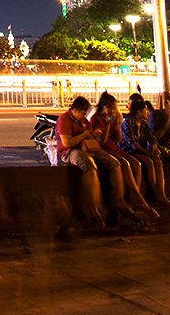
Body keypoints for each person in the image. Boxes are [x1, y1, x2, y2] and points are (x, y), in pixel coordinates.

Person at [53, 95, 144, 229]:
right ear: (76, 110)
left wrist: (95, 134)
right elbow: (67, 143)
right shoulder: (65, 120)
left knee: (114, 163)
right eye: (83, 113)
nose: (85, 116)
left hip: (89, 148)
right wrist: (84, 135)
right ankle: (93, 207)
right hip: (70, 151)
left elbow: (94, 135)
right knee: (89, 164)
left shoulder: (83, 121)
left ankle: (119, 200)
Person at [92, 93, 166, 215]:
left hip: (114, 147)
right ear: (103, 107)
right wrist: (107, 125)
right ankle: (136, 197)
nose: (112, 111)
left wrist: (116, 125)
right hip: (104, 149)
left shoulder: (141, 124)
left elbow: (119, 139)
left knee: (137, 164)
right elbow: (102, 141)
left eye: (114, 108)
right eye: (109, 108)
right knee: (125, 164)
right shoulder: (96, 118)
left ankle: (138, 194)